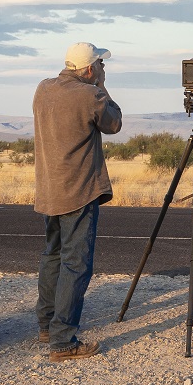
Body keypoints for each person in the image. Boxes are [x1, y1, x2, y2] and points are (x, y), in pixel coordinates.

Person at [32, 42, 122, 361]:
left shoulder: (43, 89)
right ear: (89, 69)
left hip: (49, 189)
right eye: (100, 64)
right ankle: (63, 341)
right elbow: (114, 123)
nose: (102, 69)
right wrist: (102, 86)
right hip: (78, 191)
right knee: (76, 263)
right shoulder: (90, 95)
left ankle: (47, 326)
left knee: (53, 256)